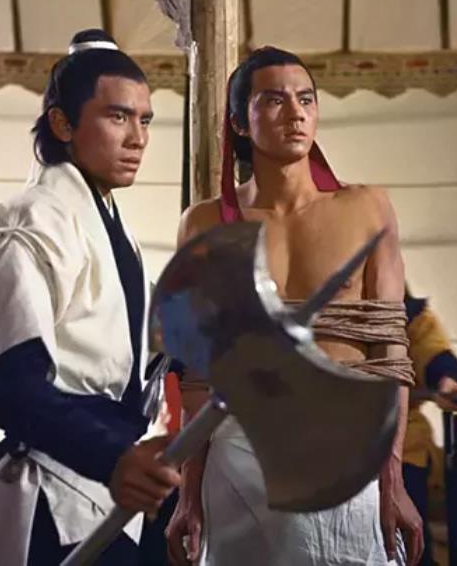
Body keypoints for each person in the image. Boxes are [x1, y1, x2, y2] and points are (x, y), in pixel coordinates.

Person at [166, 46, 424, 566]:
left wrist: (392, 478)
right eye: (274, 100)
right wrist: (188, 493)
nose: (296, 113)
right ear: (239, 122)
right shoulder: (203, 224)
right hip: (241, 453)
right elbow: (198, 373)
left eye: (306, 99)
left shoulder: (367, 208)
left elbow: (389, 353)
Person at [0, 29, 181, 566]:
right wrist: (111, 456)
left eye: (145, 120)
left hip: (107, 485)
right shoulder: (30, 222)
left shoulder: (108, 226)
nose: (138, 138)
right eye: (117, 117)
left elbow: (138, 340)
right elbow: (8, 382)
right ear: (62, 124)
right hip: (57, 490)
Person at [403, 288, 457, 566]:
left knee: (409, 545)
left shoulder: (411, 317)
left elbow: (434, 353)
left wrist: (447, 378)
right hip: (324, 444)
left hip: (400, 443)